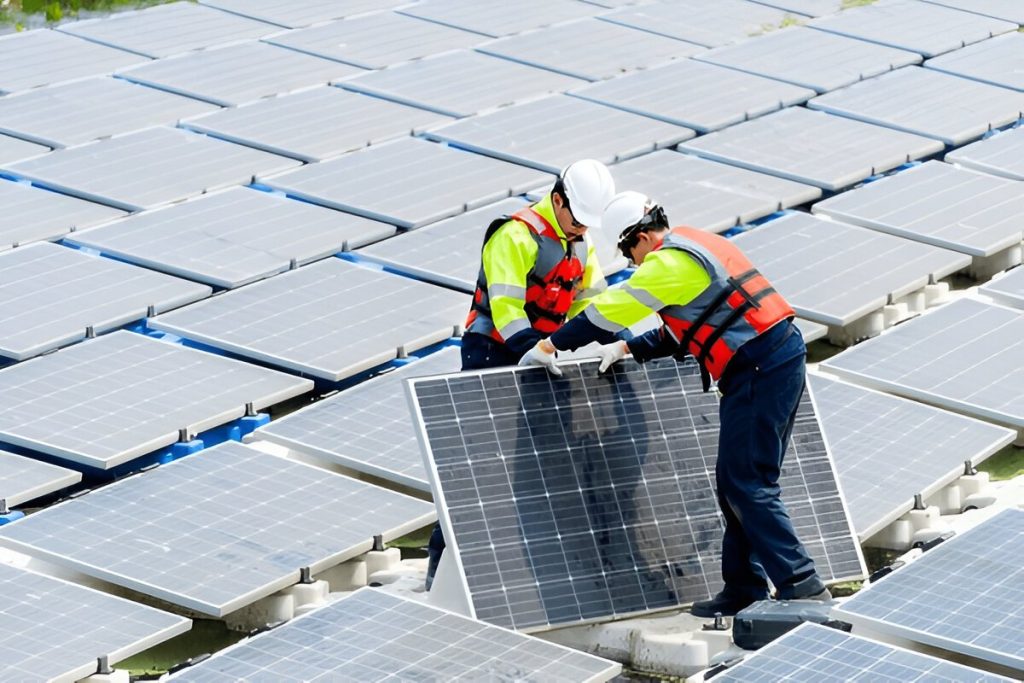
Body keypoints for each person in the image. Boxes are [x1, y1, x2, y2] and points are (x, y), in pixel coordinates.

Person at [519, 191, 831, 616]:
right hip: (771, 359)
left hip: (759, 368)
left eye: (629, 252)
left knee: (748, 481)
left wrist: (551, 344)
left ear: (641, 237)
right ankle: (744, 586)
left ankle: (802, 585)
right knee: (735, 480)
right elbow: (693, 326)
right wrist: (630, 350)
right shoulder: (695, 243)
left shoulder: (669, 262)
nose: (632, 263)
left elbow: (608, 312)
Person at [425, 159, 616, 590]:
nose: (583, 229)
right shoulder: (514, 235)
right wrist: (533, 349)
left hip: (543, 353)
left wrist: (608, 340)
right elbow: (505, 308)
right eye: (578, 219)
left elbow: (592, 302)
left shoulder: (581, 243)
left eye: (589, 223)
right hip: (493, 349)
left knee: (539, 460)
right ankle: (443, 564)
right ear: (557, 200)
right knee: (479, 459)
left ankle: (524, 560)